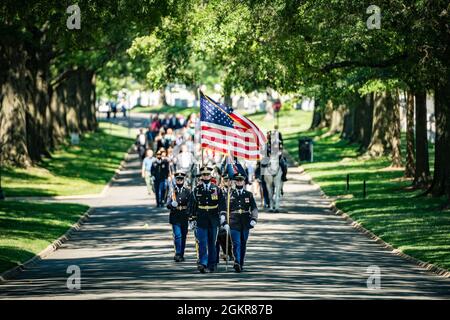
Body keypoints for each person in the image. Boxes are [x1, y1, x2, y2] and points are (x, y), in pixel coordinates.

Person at [188, 166, 226, 273]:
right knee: (202, 242)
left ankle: (212, 264)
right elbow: (192, 205)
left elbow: (222, 203)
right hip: (201, 219)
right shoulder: (196, 190)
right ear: (201, 177)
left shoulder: (216, 189)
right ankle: (203, 263)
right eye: (204, 175)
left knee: (212, 243)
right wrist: (191, 218)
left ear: (210, 176)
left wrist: (223, 215)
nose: (206, 176)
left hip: (213, 219)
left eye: (207, 175)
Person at [221, 173, 258, 273]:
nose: (239, 182)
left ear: (244, 181)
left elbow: (254, 208)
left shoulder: (248, 194)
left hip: (245, 222)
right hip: (233, 222)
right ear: (234, 182)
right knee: (236, 243)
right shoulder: (229, 195)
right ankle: (236, 262)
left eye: (241, 180)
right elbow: (224, 210)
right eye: (237, 180)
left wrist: (254, 219)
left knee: (243, 243)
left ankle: (241, 263)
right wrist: (224, 222)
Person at [166, 172, 191, 262]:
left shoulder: (187, 191)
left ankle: (181, 254)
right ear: (175, 180)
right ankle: (178, 253)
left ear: (183, 180)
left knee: (183, 236)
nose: (179, 181)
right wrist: (172, 205)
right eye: (178, 179)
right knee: (178, 235)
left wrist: (190, 216)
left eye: (181, 179)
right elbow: (167, 203)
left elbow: (190, 204)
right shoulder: (172, 191)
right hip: (175, 215)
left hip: (184, 215)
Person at [216, 173, 234, 264]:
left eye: (229, 180)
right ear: (222, 180)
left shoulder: (234, 192)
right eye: (225, 180)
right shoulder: (219, 192)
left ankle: (230, 253)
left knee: (231, 236)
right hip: (222, 217)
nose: (227, 182)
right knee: (222, 234)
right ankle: (226, 253)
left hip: (232, 217)